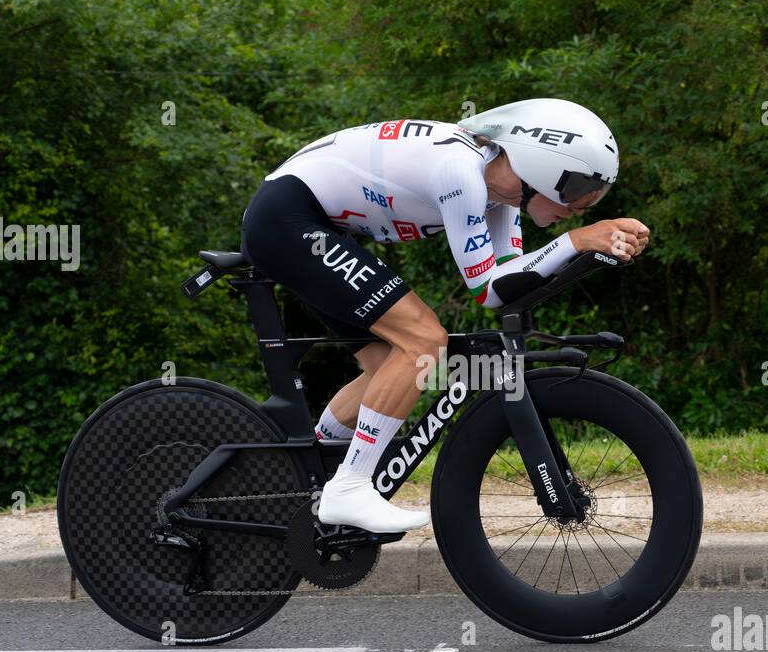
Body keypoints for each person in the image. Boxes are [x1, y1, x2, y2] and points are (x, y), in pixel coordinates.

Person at [239, 98, 650, 533]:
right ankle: (349, 488)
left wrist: (587, 248)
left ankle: (308, 476)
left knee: (386, 369)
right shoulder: (462, 174)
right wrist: (576, 240)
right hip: (287, 219)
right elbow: (488, 291)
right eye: (580, 190)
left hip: (310, 223)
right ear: (542, 167)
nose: (582, 206)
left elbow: (511, 283)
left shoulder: (501, 196)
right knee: (424, 342)